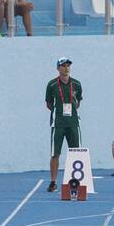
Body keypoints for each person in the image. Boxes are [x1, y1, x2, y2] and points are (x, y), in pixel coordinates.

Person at [46, 57, 83, 192]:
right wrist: (59, 111)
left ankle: (77, 181)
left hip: (73, 123)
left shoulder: (77, 84)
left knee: (76, 152)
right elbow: (49, 104)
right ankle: (53, 182)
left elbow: (78, 103)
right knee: (55, 154)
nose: (66, 68)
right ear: (58, 68)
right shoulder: (52, 85)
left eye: (68, 65)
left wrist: (70, 111)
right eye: (63, 66)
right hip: (58, 124)